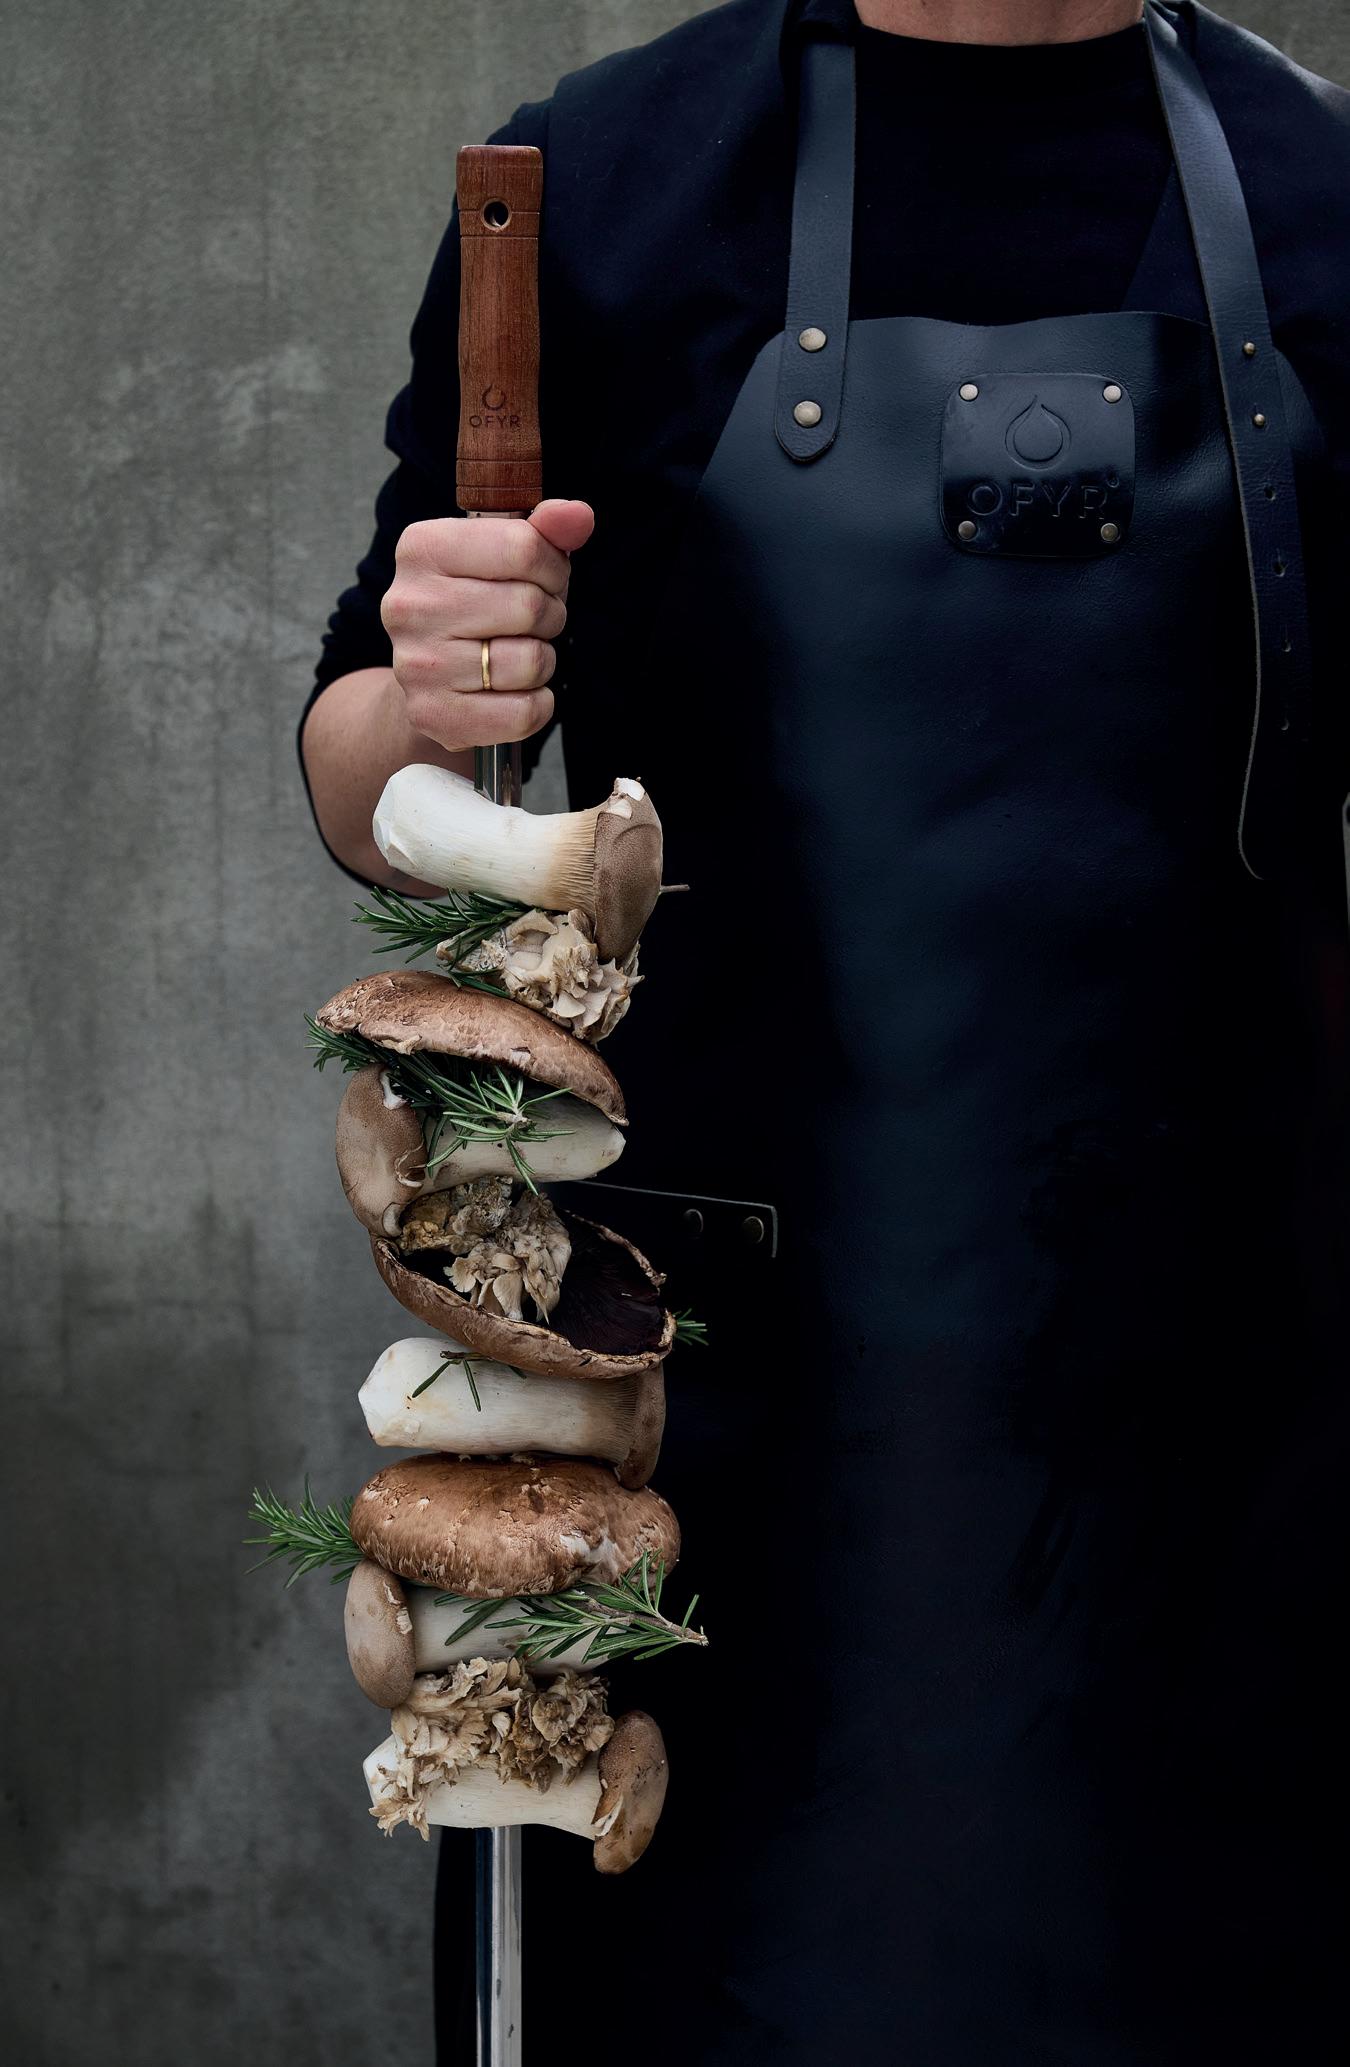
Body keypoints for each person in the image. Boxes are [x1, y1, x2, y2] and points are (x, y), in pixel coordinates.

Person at [301, 3, 1350, 2060]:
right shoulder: (604, 180)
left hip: (1241, 1450)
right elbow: (361, 770)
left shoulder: (1321, 188)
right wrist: (425, 689)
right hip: (718, 1445)